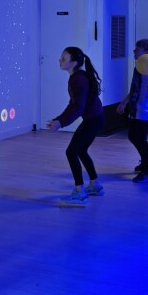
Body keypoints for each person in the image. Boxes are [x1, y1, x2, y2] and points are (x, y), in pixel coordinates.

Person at [46, 47, 105, 205]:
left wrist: (61, 122)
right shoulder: (78, 76)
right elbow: (73, 104)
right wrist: (60, 119)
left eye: (64, 58)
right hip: (97, 119)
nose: (60, 60)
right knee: (81, 150)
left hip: (93, 120)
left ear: (73, 62)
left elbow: (78, 107)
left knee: (71, 151)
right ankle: (95, 185)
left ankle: (80, 192)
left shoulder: (77, 79)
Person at [117, 39, 148, 183]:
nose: (134, 51)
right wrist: (124, 102)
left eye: (138, 49)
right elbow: (135, 88)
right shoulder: (139, 66)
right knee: (132, 136)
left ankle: (147, 171)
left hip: (145, 108)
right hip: (136, 106)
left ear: (146, 52)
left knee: (140, 138)